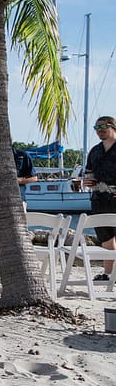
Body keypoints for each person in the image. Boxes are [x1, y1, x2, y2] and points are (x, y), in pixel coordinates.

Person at [84, 116, 116, 282]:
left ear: (113, 126)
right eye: (96, 127)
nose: (99, 130)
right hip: (99, 199)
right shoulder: (95, 150)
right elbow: (88, 172)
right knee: (106, 238)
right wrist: (87, 181)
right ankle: (108, 274)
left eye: (103, 126)